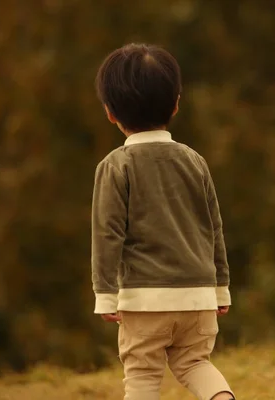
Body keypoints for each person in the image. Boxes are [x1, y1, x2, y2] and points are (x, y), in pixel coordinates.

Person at [91, 43, 235, 400]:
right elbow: (212, 225)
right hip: (198, 296)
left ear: (110, 112)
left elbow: (108, 233)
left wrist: (105, 294)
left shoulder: (115, 166)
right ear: (175, 103)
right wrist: (220, 286)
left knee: (142, 374)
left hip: (145, 298)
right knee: (195, 364)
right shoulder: (194, 161)